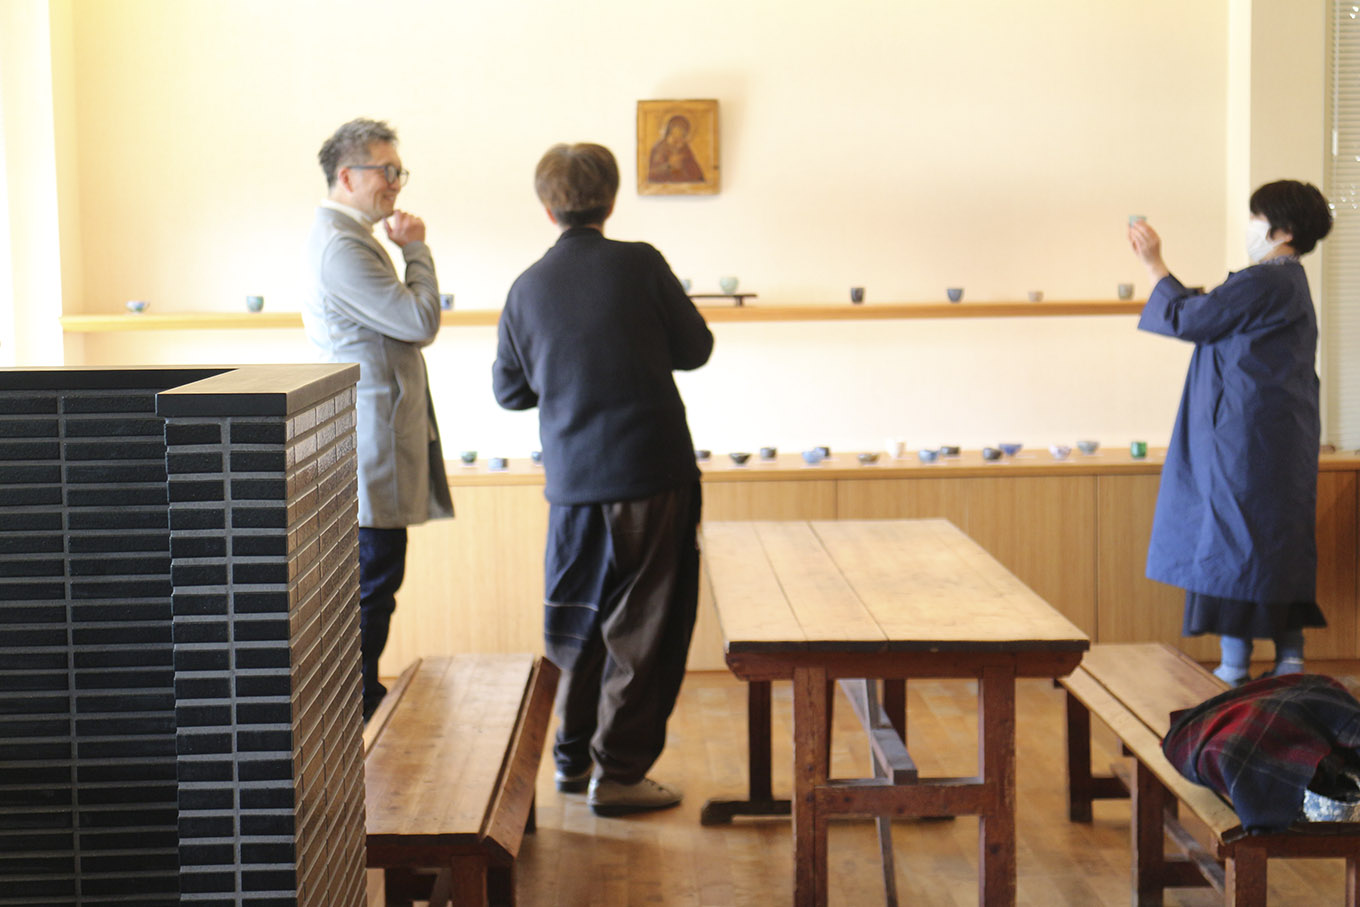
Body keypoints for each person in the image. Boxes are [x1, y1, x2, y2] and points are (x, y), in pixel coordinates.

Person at [493, 142, 714, 815]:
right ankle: (618, 775)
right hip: (651, 473)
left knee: (579, 623)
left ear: (547, 208)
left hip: (573, 484)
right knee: (645, 626)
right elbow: (696, 348)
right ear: (612, 200)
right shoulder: (640, 264)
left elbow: (509, 391)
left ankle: (571, 760)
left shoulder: (527, 287)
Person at [1128, 180, 1333, 685]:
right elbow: (1212, 314)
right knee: (1274, 543)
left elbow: (1191, 319)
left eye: (1258, 217)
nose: (1251, 226)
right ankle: (1289, 662)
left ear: (1285, 230)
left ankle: (1235, 667)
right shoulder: (1286, 282)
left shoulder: (1266, 281)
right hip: (1275, 438)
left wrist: (1154, 264)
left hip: (1245, 440)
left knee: (1235, 542)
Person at [304, 118, 453, 721]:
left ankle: (361, 697)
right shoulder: (343, 246)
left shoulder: (350, 236)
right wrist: (416, 249)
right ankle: (356, 705)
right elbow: (419, 321)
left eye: (398, 171)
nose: (395, 183)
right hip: (370, 443)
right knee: (372, 582)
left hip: (375, 435)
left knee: (376, 580)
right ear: (347, 176)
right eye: (386, 171)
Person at [647, 115, 704, 183]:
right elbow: (652, 174)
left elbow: (697, 174)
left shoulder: (685, 148)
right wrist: (669, 166)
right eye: (675, 132)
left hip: (684, 185)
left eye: (682, 133)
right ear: (669, 131)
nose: (678, 136)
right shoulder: (659, 148)